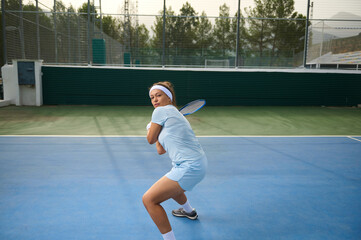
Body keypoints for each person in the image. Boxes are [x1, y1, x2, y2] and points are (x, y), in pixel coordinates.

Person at [142, 81, 208, 240]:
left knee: (149, 200)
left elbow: (150, 140)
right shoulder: (172, 114)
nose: (155, 100)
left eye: (159, 95)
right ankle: (189, 211)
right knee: (172, 186)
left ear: (169, 98)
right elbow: (160, 150)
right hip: (195, 164)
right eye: (152, 97)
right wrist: (155, 130)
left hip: (189, 167)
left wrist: (150, 128)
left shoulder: (161, 112)